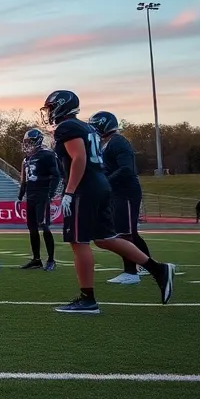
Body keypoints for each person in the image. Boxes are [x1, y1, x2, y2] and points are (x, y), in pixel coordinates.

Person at [41, 90, 175, 314]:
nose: (49, 112)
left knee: (78, 241)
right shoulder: (86, 127)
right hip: (100, 185)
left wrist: (70, 191)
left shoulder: (68, 127)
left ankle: (88, 300)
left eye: (51, 107)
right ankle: (158, 269)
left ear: (62, 106)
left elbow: (80, 157)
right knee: (105, 239)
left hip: (84, 188)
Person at [90, 111, 153, 285]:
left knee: (124, 233)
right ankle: (149, 266)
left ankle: (131, 272)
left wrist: (105, 181)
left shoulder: (118, 142)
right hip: (117, 192)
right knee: (129, 232)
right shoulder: (106, 143)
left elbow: (126, 169)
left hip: (126, 191)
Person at [18, 128, 59, 270]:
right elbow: (24, 180)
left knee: (44, 225)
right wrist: (20, 196)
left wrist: (51, 193)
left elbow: (56, 175)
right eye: (26, 142)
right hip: (31, 196)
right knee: (32, 228)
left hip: (42, 194)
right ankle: (36, 259)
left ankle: (51, 260)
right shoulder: (26, 159)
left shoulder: (47, 155)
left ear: (38, 141)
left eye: (30, 142)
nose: (27, 144)